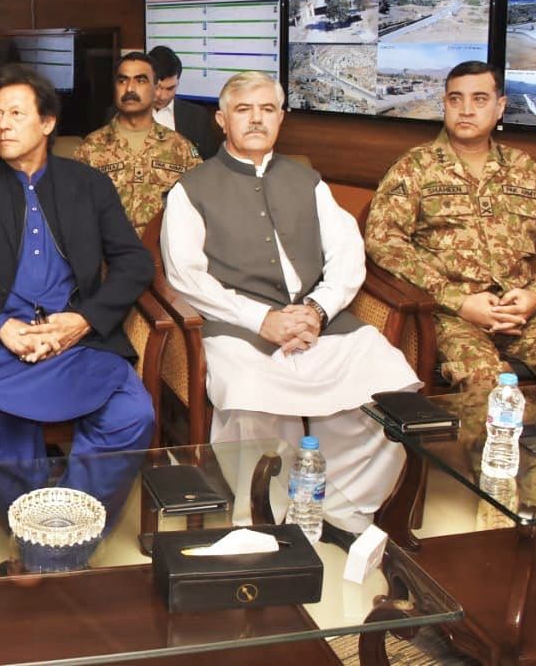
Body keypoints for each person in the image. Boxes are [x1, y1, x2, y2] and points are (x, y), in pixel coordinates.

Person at [162, 71, 418, 533]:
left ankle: (341, 508)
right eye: (243, 110)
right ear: (222, 120)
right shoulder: (191, 189)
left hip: (316, 319)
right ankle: (266, 518)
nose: (256, 119)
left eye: (267, 109)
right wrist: (261, 319)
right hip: (238, 325)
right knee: (250, 396)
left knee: (388, 386)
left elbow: (348, 253)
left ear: (281, 117)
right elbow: (186, 275)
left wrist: (319, 309)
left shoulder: (309, 181)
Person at [0, 63, 156, 523]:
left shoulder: (89, 185)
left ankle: (71, 523)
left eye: (16, 114)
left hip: (78, 341)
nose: (1, 124)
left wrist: (84, 319)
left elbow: (134, 262)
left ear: (47, 123)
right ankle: (38, 514)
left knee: (133, 416)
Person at [366, 61, 536, 390]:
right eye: (455, 99)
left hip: (523, 314)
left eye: (480, 99)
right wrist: (458, 300)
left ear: (500, 107)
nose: (466, 110)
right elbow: (384, 241)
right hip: (452, 316)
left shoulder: (523, 168)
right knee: (484, 382)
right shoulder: (414, 167)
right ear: (444, 104)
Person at [74, 51, 201, 232]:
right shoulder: (89, 148)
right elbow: (77, 215)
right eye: (122, 81)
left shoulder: (181, 148)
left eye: (141, 80)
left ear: (156, 89)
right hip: (108, 249)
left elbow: (199, 210)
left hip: (162, 248)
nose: (129, 89)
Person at [149, 45, 221, 159]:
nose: (162, 96)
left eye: (170, 88)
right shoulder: (124, 114)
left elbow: (209, 161)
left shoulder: (198, 116)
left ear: (178, 82)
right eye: (157, 87)